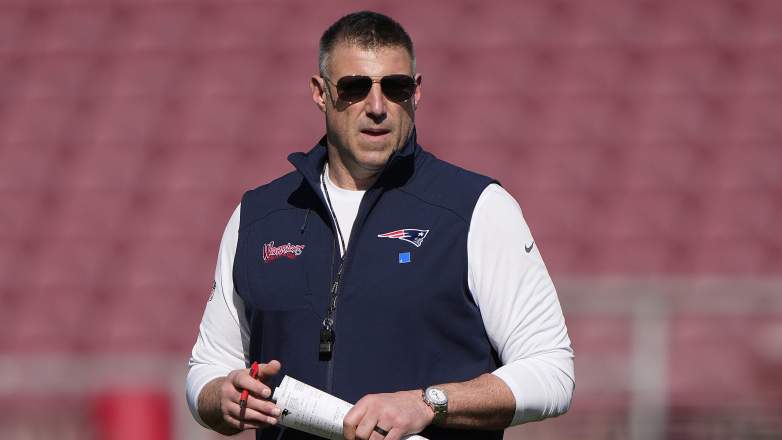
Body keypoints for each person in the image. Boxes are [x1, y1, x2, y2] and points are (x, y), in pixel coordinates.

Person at [187, 11, 574, 440]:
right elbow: (208, 368)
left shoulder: (477, 207)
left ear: (417, 91)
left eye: (395, 87)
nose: (376, 107)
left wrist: (428, 403)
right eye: (354, 88)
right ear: (320, 92)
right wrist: (221, 396)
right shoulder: (258, 215)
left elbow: (551, 371)